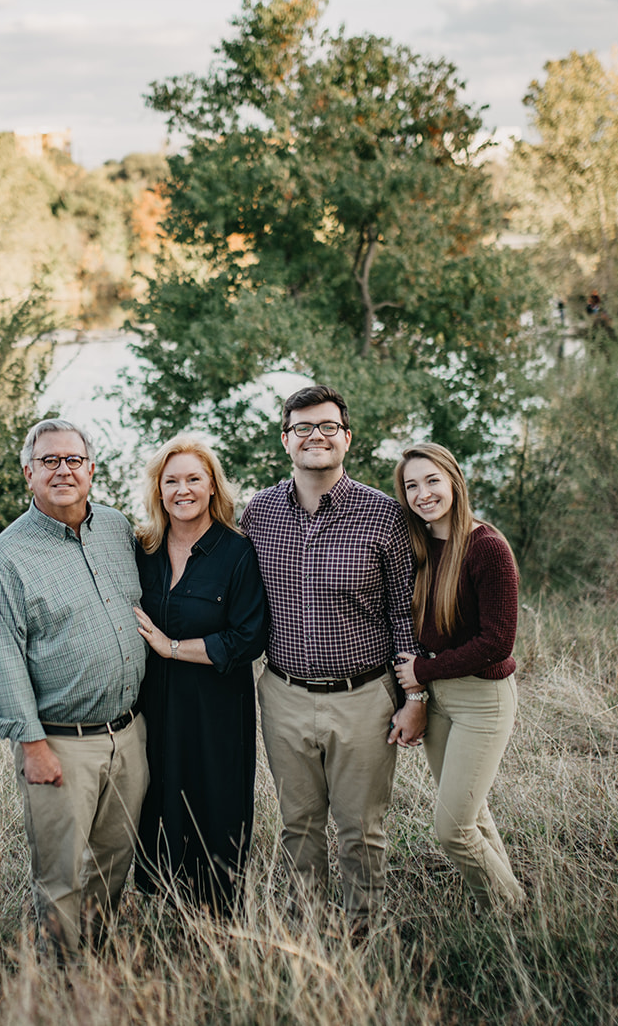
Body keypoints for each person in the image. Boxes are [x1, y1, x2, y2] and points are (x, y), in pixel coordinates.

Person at [241, 385, 426, 928]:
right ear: (285, 441)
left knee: (361, 826)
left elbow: (403, 615)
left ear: (346, 437)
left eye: (327, 427)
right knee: (297, 822)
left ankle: (361, 926)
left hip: (364, 696)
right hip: (283, 692)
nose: (314, 436)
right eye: (302, 428)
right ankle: (306, 924)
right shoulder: (260, 513)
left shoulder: (385, 515)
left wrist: (415, 696)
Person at [0, 418, 148, 952]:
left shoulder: (118, 529)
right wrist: (33, 747)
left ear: (92, 469)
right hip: (58, 743)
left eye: (73, 460)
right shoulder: (7, 559)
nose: (63, 470)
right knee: (60, 873)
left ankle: (96, 955)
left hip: (129, 732)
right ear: (28, 474)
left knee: (114, 861)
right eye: (49, 461)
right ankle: (62, 980)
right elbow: (2, 662)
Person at [131, 436, 269, 914]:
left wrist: (172, 648)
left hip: (215, 710)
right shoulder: (142, 548)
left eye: (194, 479)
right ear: (158, 489)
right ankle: (164, 912)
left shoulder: (236, 553)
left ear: (213, 487)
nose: (182, 490)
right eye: (172, 480)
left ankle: (218, 918)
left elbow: (249, 637)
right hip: (151, 707)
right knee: (157, 800)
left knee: (215, 807)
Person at [392, 443, 527, 911]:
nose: (423, 493)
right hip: (437, 699)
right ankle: (503, 908)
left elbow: (497, 642)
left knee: (452, 828)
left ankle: (510, 906)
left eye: (432, 480)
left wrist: (422, 670)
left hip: (482, 699)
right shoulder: (418, 547)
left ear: (453, 481)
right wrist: (420, 690)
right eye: (412, 485)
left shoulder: (487, 548)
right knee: (475, 814)